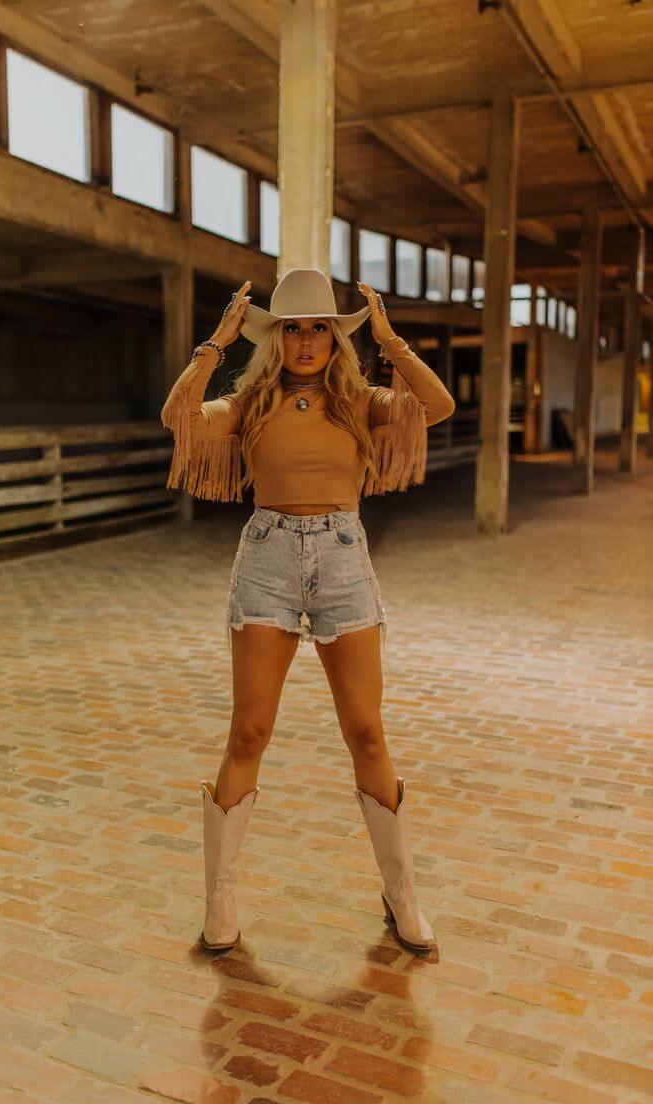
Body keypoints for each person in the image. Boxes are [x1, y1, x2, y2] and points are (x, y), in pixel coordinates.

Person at [160, 267, 455, 957]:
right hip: (266, 560)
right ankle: (221, 900)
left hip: (343, 559)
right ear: (277, 338)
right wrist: (216, 342)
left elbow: (434, 407)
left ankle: (401, 894)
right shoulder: (250, 401)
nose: (305, 340)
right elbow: (180, 417)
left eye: (319, 327)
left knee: (367, 734)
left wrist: (389, 340)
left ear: (334, 337)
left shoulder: (361, 399)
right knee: (249, 732)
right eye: (292, 327)